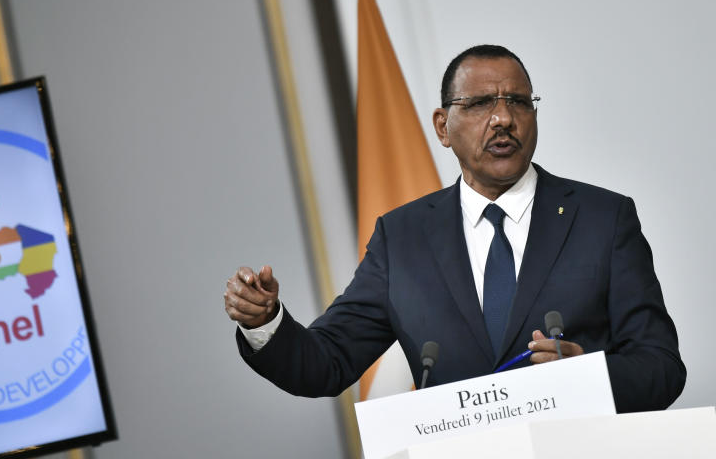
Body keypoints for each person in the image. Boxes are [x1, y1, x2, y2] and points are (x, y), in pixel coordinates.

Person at [223, 45, 685, 413]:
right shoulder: (401, 238)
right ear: (443, 127)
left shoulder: (603, 218)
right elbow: (326, 364)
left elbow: (661, 368)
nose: (503, 118)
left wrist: (586, 375)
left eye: (519, 102)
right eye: (481, 103)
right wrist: (265, 323)